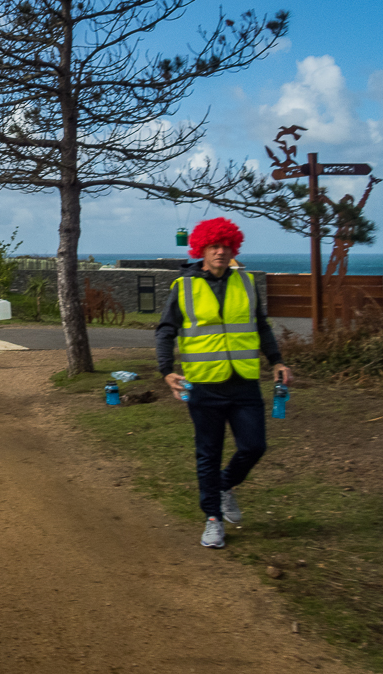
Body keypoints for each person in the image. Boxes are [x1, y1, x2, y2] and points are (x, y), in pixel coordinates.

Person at [155, 217, 292, 549]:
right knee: (208, 453)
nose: (219, 251)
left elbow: (261, 326)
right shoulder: (183, 286)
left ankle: (224, 485)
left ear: (233, 248)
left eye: (225, 246)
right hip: (202, 385)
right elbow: (165, 331)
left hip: (244, 383)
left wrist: (276, 360)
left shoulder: (245, 282)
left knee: (254, 446)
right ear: (201, 248)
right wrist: (166, 370)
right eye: (213, 246)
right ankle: (213, 519)